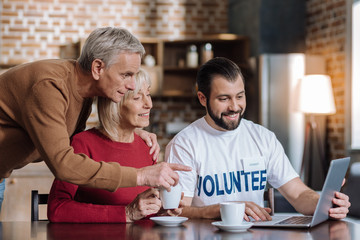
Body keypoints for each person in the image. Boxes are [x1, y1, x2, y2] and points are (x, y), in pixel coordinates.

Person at [0, 27, 190, 210]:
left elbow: (68, 136)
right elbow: (64, 165)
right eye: (126, 75)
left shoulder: (84, 90)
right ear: (98, 68)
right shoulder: (49, 87)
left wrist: (134, 130)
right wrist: (140, 176)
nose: (132, 85)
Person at [165, 57, 350, 221]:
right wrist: (220, 210)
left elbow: (299, 193)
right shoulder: (184, 144)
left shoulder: (263, 138)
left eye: (240, 96)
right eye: (224, 99)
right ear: (202, 99)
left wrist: (324, 203)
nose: (235, 106)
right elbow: (176, 211)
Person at [48, 69, 182, 223]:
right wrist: (126, 213)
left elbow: (144, 212)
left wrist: (164, 210)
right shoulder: (83, 143)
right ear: (115, 104)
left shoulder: (148, 146)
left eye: (149, 94)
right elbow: (57, 209)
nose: (149, 104)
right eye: (137, 97)